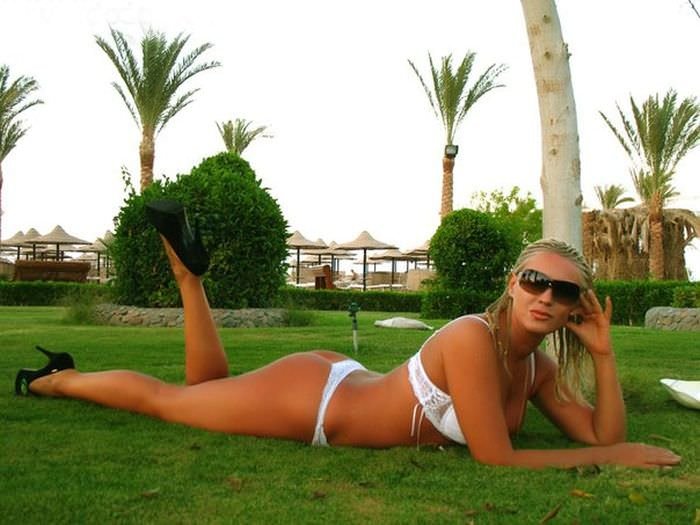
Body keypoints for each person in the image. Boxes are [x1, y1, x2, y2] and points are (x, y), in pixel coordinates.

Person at [15, 200, 681, 469]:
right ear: (513, 283)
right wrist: (617, 458)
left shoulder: (535, 369)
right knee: (170, 400)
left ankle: (190, 278)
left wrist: (603, 353)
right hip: (313, 400)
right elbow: (497, 458)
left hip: (338, 378)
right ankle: (55, 380)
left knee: (206, 387)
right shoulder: (472, 339)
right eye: (536, 280)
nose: (547, 296)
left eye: (565, 291)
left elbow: (598, 431)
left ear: (575, 308)